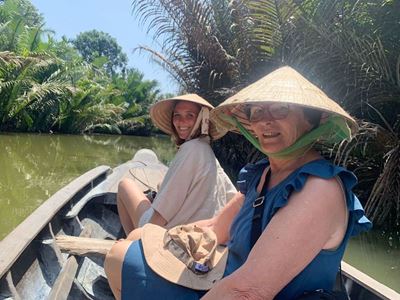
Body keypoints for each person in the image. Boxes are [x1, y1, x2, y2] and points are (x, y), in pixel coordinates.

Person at [105, 66, 372, 300]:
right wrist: (159, 239)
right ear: (250, 125)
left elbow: (247, 293)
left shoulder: (319, 188)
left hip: (243, 291)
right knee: (136, 241)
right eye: (257, 112)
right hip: (224, 278)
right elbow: (216, 229)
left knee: (119, 259)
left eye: (281, 109)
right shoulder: (263, 175)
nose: (266, 120)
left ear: (312, 119)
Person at [116, 93, 236, 235]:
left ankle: (131, 242)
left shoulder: (191, 149)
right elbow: (231, 197)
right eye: (177, 115)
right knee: (161, 184)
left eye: (190, 115)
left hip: (167, 235)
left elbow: (161, 215)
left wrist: (142, 237)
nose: (181, 122)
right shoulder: (206, 150)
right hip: (198, 232)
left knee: (124, 185)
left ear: (202, 119)